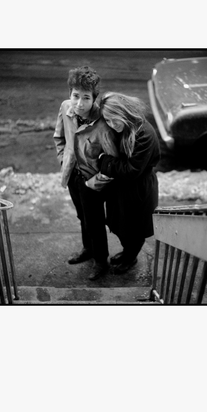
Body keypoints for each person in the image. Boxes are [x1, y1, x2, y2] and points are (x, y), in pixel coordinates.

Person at [53, 66, 118, 280]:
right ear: (70, 94)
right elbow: (59, 137)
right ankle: (88, 249)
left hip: (93, 180)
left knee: (95, 220)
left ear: (94, 99)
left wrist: (95, 182)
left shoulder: (103, 121)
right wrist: (64, 160)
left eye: (86, 98)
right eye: (75, 96)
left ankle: (101, 261)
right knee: (82, 215)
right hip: (73, 175)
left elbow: (112, 161)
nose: (79, 104)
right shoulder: (65, 108)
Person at [97, 92, 161, 274]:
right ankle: (127, 252)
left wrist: (104, 161)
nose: (111, 124)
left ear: (123, 112)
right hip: (121, 189)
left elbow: (130, 171)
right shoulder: (123, 127)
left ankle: (131, 257)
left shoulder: (144, 134)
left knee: (134, 230)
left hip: (138, 190)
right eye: (107, 121)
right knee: (120, 226)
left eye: (113, 119)